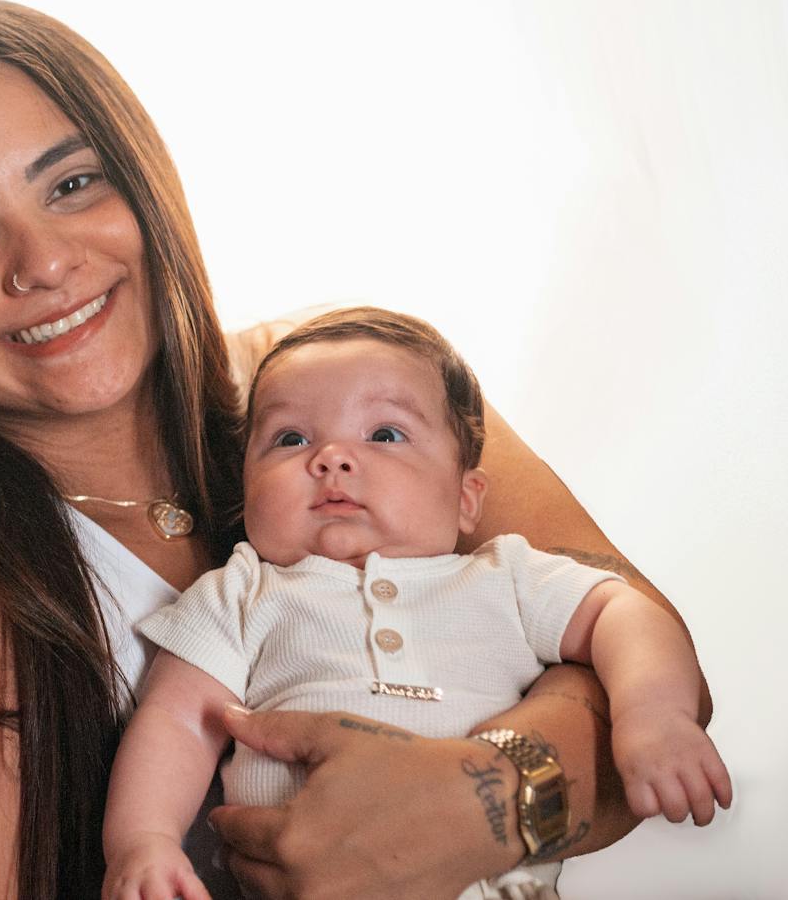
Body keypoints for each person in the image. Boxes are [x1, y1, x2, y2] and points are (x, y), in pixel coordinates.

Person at [0, 0, 712, 899]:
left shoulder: (354, 384)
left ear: (144, 182)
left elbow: (648, 664)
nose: (41, 261)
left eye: (74, 184)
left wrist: (475, 797)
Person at [102, 307, 731, 900]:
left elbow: (622, 614)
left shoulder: (504, 577)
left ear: (466, 498)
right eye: (290, 439)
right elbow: (179, 720)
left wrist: (653, 714)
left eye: (384, 433)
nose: (332, 458)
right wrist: (143, 841)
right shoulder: (242, 592)